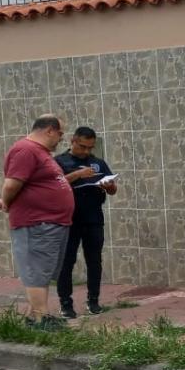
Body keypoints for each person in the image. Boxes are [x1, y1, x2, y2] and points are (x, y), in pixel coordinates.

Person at [0, 115, 75, 331]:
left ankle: (36, 317)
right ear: (49, 130)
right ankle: (41, 319)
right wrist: (5, 202)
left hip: (52, 222)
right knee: (36, 270)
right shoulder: (26, 150)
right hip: (37, 223)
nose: (61, 138)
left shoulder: (41, 153)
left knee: (43, 271)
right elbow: (11, 184)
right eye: (60, 133)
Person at [55, 126, 117, 318]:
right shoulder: (59, 162)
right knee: (67, 261)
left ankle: (94, 301)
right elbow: (53, 185)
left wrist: (110, 186)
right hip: (69, 219)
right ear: (72, 141)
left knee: (94, 260)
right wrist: (77, 175)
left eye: (90, 148)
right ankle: (66, 304)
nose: (86, 152)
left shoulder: (97, 163)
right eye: (82, 147)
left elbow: (113, 190)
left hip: (93, 218)